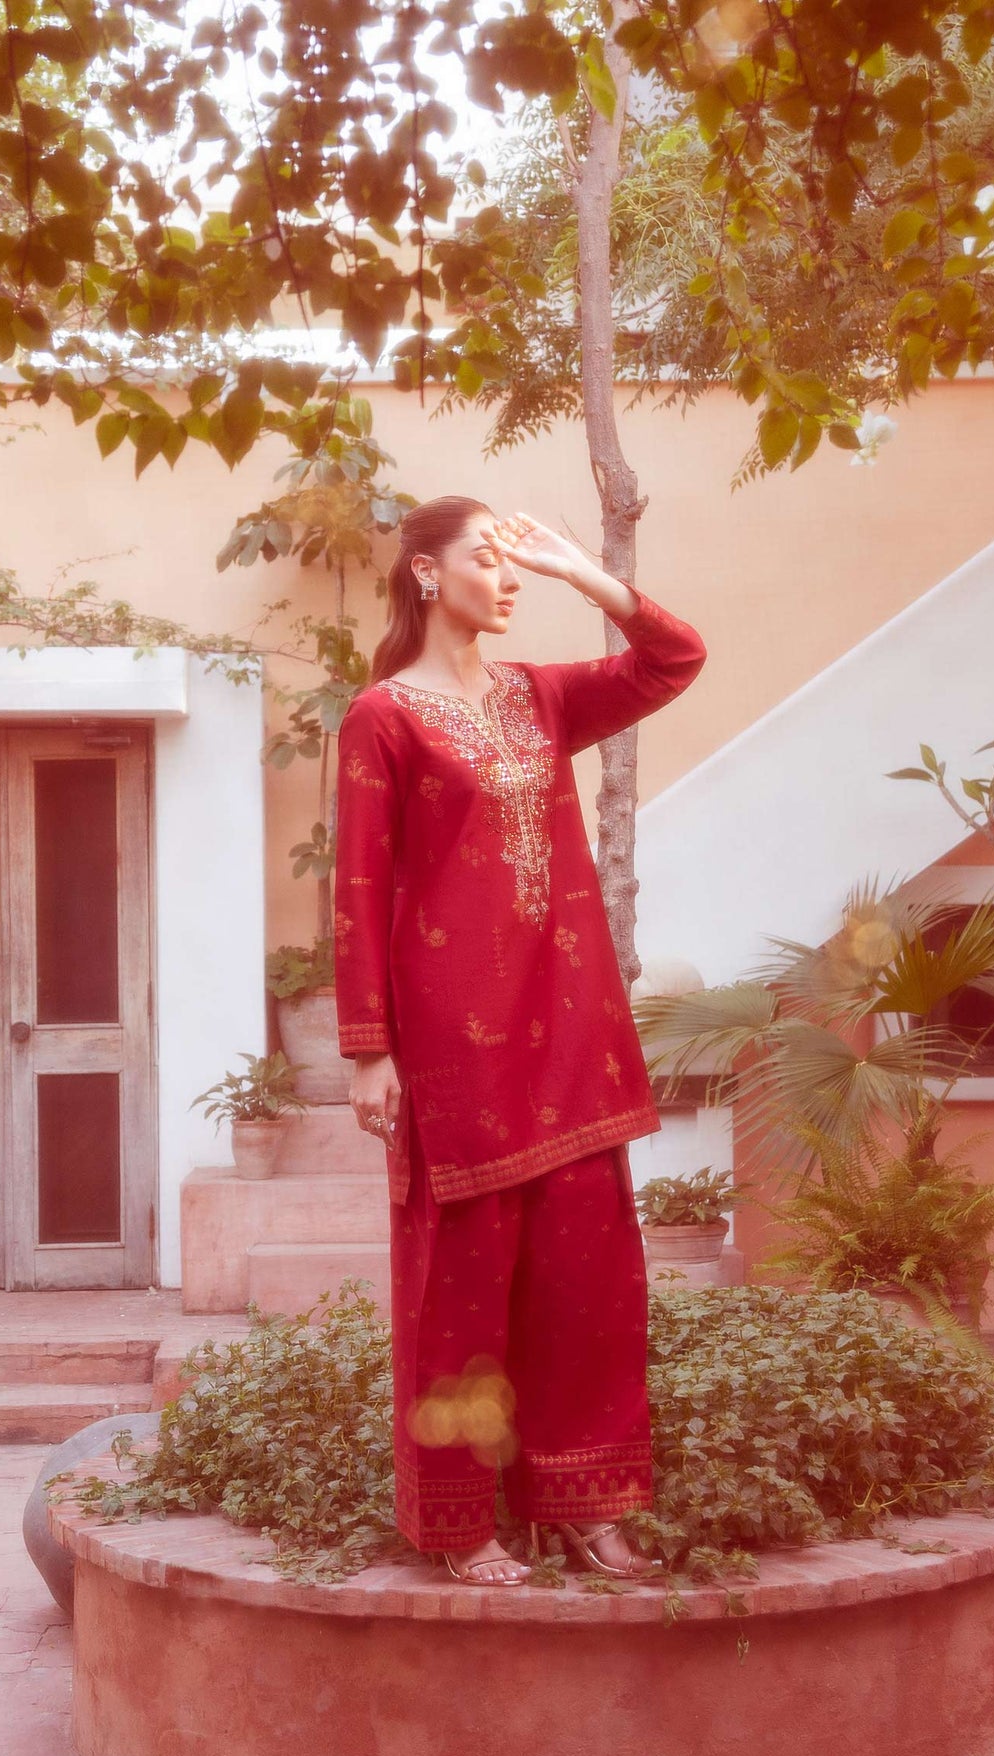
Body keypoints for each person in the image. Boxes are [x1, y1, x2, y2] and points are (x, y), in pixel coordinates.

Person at [333, 494, 707, 1586]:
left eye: (514, 564)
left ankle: (586, 1506)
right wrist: (368, 1049)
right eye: (487, 559)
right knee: (458, 1291)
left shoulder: (538, 698)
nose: (507, 579)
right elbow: (357, 887)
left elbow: (674, 658)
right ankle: (460, 1525)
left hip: (569, 1036)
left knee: (587, 1289)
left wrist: (584, 574)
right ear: (423, 572)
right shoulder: (382, 718)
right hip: (453, 1047)